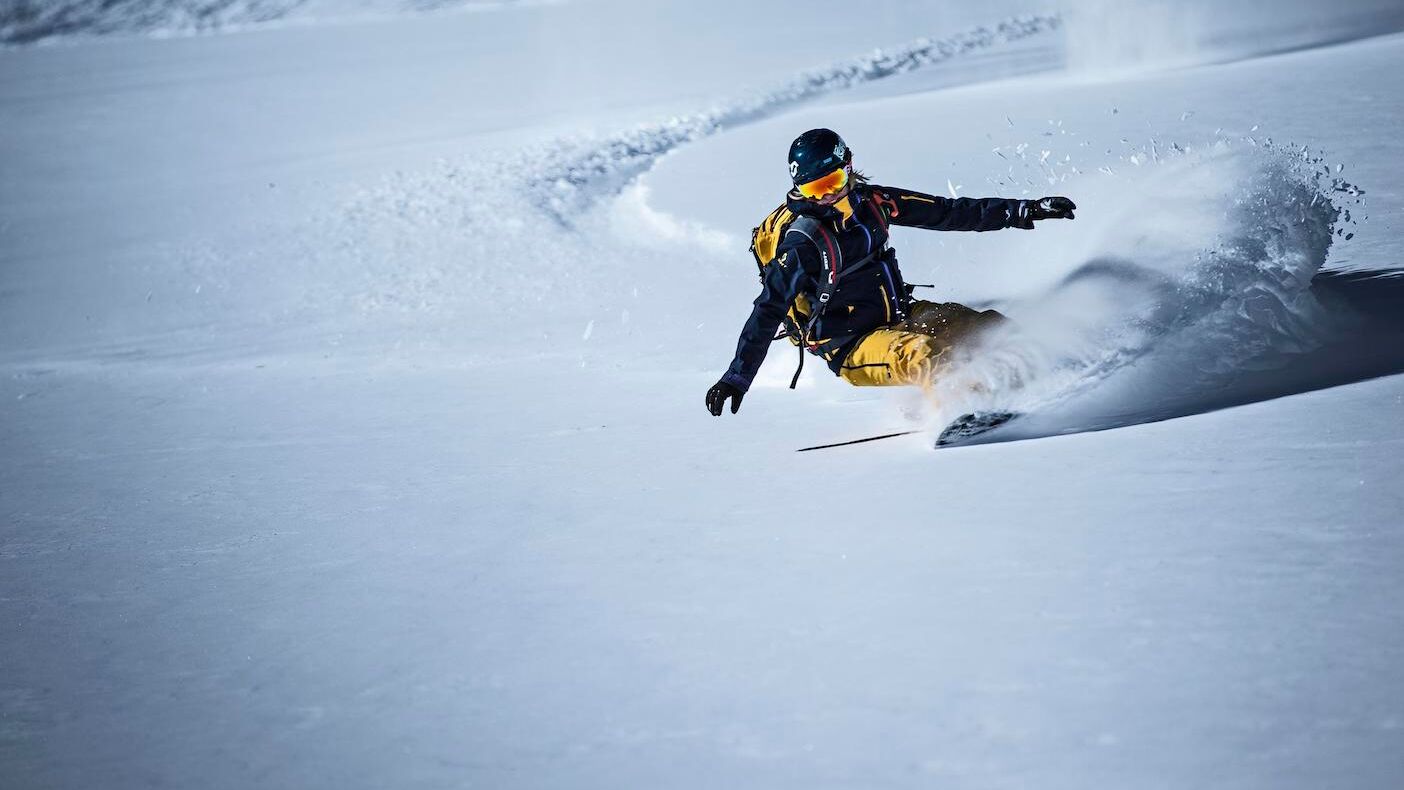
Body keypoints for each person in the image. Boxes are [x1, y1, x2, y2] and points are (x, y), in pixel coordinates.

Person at [705, 128, 1075, 417]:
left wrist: (1025, 210)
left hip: (900, 315)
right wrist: (737, 377)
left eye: (831, 184)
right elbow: (768, 309)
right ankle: (962, 410)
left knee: (990, 329)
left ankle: (1051, 369)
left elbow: (948, 212)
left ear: (847, 169)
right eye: (812, 190)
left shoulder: (874, 202)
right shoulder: (802, 244)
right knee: (925, 355)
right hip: (850, 345)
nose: (824, 198)